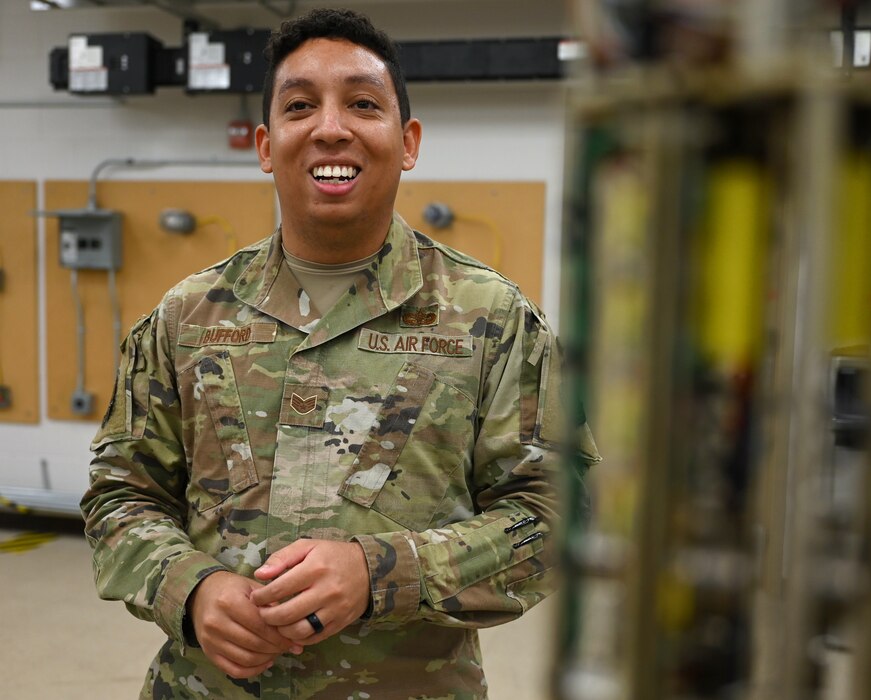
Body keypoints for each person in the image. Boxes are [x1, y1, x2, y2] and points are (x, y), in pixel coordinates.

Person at [81, 7, 599, 699]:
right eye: (300, 106)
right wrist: (192, 589)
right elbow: (121, 493)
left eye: (362, 103)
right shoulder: (186, 317)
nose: (330, 127)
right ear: (267, 145)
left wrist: (383, 571)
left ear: (407, 141)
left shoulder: (495, 320)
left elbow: (559, 511)